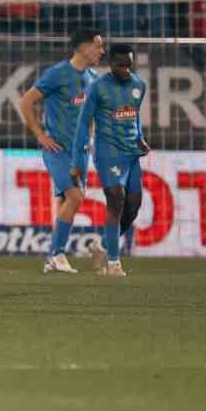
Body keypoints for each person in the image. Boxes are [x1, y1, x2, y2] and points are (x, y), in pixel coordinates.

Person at [18, 29, 105, 274]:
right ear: (84, 47)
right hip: (57, 150)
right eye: (98, 46)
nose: (102, 51)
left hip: (81, 152)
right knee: (75, 197)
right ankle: (56, 254)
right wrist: (40, 135)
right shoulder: (57, 74)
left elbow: (92, 115)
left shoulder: (92, 78)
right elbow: (25, 101)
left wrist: (93, 138)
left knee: (69, 201)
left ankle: (53, 258)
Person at [69, 44, 151, 278]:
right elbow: (84, 124)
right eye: (120, 64)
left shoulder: (139, 86)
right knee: (116, 198)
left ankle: (102, 246)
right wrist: (77, 161)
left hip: (131, 154)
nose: (125, 69)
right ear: (111, 64)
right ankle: (113, 264)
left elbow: (134, 117)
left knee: (132, 208)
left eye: (129, 64)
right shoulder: (97, 88)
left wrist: (141, 140)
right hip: (108, 153)